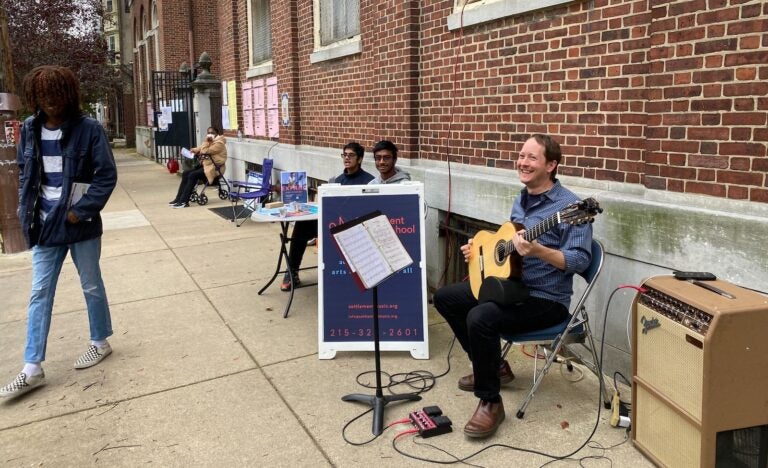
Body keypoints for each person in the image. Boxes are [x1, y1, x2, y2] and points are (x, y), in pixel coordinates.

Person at [432, 134, 592, 438]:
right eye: (521, 156)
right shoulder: (522, 197)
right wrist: (480, 249)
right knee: (446, 298)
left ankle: (490, 401)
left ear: (551, 165)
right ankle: (494, 367)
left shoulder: (572, 207)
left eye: (532, 157)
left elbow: (580, 261)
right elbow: (507, 238)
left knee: (480, 317)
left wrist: (540, 251)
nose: (522, 162)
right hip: (510, 286)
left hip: (545, 300)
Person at [1, 66, 118, 398]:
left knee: (91, 284)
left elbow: (105, 176)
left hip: (78, 222)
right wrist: (27, 213)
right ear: (35, 97)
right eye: (43, 96)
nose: (50, 102)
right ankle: (32, 368)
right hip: (44, 224)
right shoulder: (29, 128)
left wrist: (77, 212)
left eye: (56, 95)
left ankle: (100, 341)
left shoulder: (89, 130)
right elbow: (26, 173)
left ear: (68, 95)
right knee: (39, 293)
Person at [280, 142, 374, 291]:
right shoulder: (337, 180)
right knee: (302, 226)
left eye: (351, 155)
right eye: (345, 155)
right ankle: (292, 272)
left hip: (355, 227)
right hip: (333, 223)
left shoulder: (369, 181)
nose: (347, 158)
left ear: (360, 159)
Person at [169, 126, 227, 208]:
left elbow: (205, 150)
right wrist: (194, 150)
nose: (210, 134)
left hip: (214, 169)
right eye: (208, 133)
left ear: (217, 134)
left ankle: (184, 201)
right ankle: (178, 199)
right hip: (206, 166)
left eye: (212, 133)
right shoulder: (210, 142)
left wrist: (206, 142)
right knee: (186, 173)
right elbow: (200, 148)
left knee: (193, 175)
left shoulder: (219, 143)